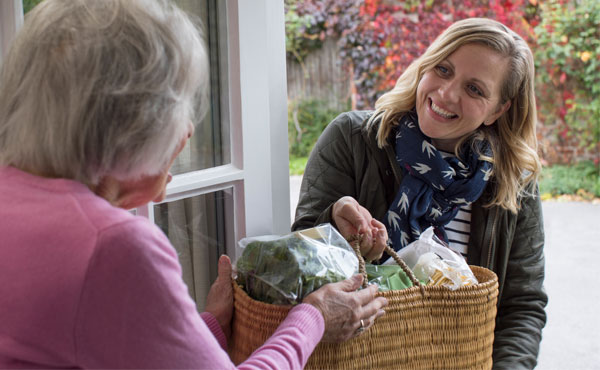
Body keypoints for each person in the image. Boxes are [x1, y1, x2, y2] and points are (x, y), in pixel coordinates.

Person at [0, 0, 388, 368]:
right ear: (133, 123)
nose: (187, 130)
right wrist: (313, 318)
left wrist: (208, 326)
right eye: (180, 104)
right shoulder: (114, 246)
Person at [293, 18, 547, 369]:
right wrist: (333, 225)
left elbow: (521, 306)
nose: (446, 93)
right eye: (443, 69)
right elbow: (298, 262)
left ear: (498, 109)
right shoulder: (352, 139)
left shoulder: (514, 181)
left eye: (474, 89)